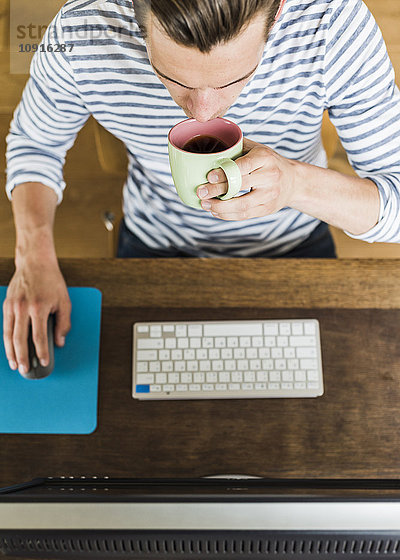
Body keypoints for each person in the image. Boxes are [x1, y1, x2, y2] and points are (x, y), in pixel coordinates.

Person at [3, 0, 400, 375]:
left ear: (278, 11)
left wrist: (295, 185)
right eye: (174, 78)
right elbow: (35, 143)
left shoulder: (333, 23)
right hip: (154, 242)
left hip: (294, 241)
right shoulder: (83, 30)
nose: (203, 113)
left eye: (235, 78)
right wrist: (32, 253)